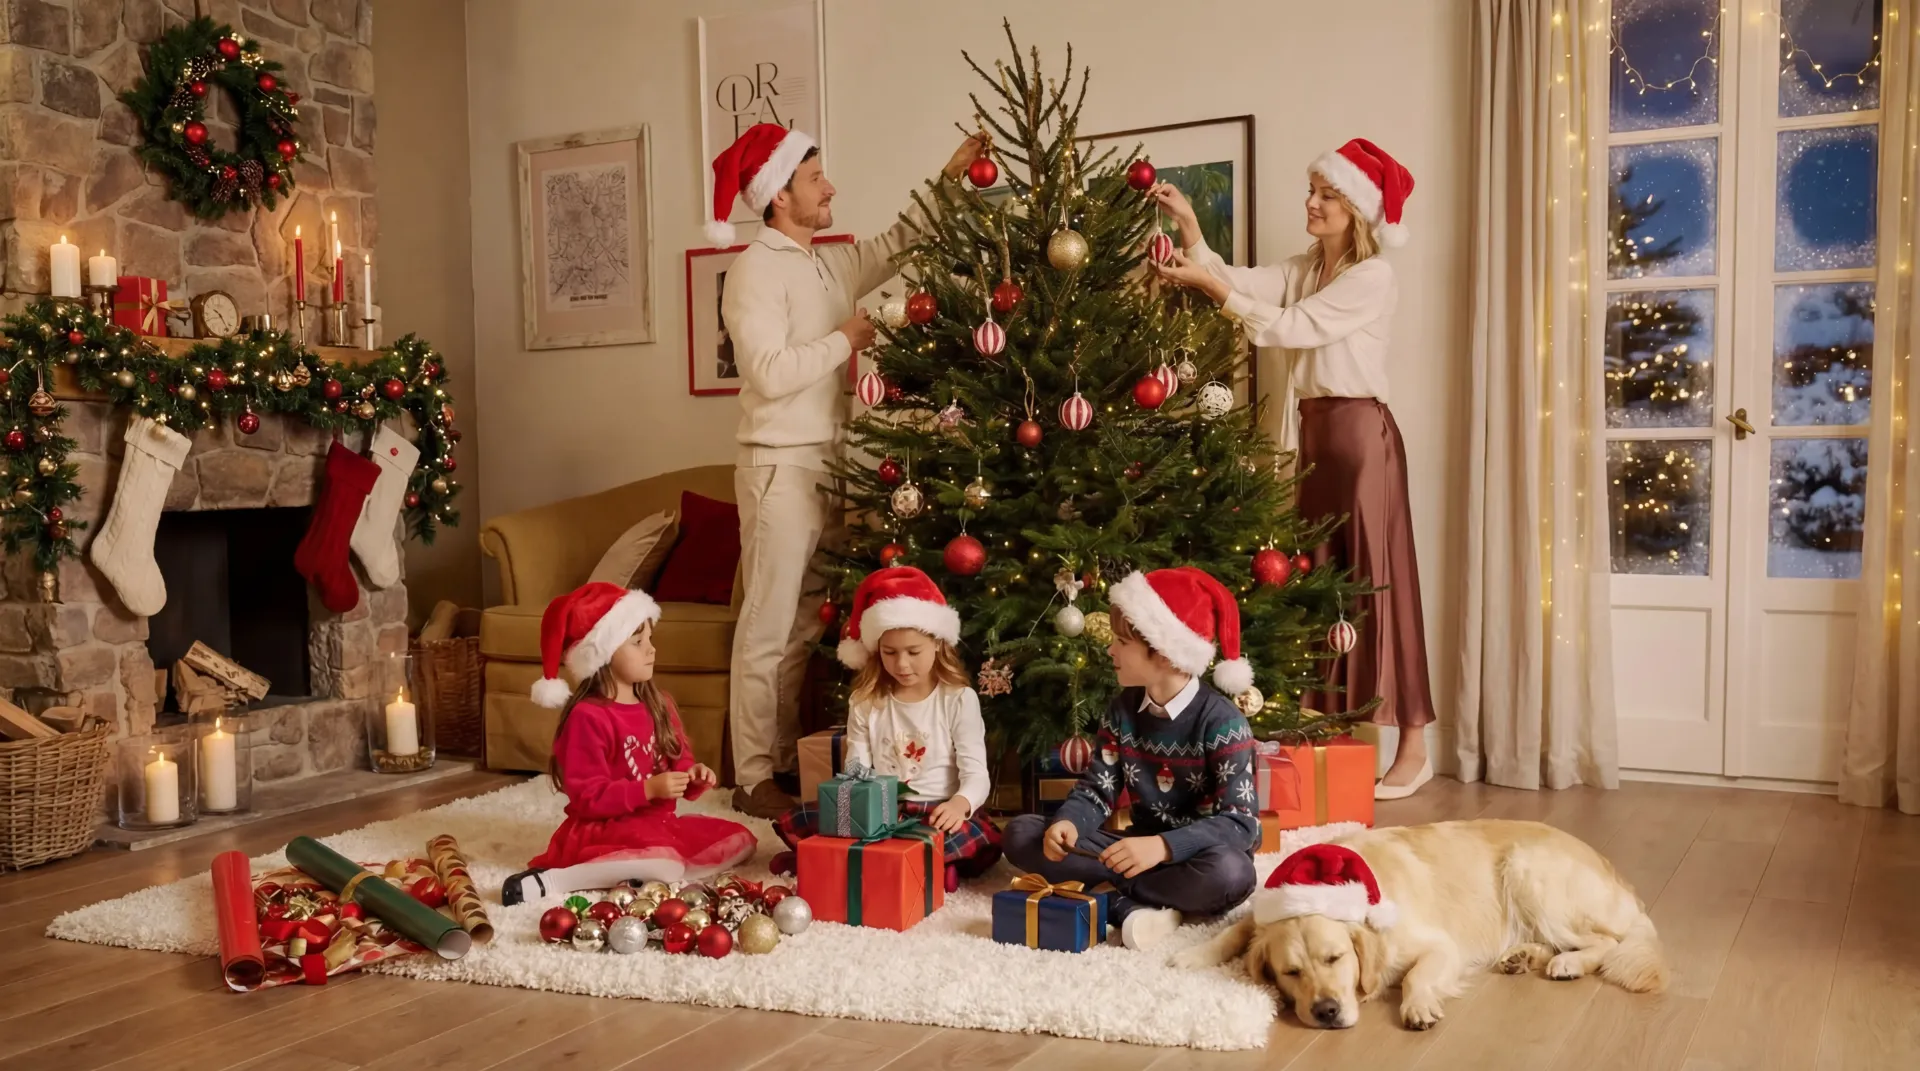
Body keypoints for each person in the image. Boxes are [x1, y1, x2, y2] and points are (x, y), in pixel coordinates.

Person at [706, 122, 988, 819]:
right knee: (767, 628)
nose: (829, 186)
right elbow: (767, 374)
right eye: (814, 178)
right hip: (779, 466)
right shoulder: (754, 270)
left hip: (826, 463)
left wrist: (950, 175)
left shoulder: (824, 263)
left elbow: (897, 242)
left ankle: (775, 761)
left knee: (803, 627)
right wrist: (846, 339)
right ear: (778, 195)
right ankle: (748, 773)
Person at [1151, 138, 1436, 801]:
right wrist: (1191, 229)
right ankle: (1327, 730)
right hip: (1314, 436)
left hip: (1362, 439)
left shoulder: (1371, 277)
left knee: (1377, 585)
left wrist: (1213, 288)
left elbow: (1285, 328)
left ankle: (1414, 747)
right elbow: (1242, 281)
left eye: (1326, 195)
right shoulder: (1309, 266)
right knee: (1317, 588)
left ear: (1356, 210)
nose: (1311, 203)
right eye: (1311, 191)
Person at [1001, 567, 1261, 951]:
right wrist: (1070, 823)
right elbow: (1097, 789)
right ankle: (1146, 899)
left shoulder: (1224, 722)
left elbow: (1241, 824)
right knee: (1022, 833)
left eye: (1121, 642)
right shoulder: (1121, 710)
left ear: (1164, 654)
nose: (1110, 650)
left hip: (1199, 856)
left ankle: (1115, 900)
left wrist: (1163, 847)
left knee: (1233, 873)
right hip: (1132, 848)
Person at [501, 582, 756, 905]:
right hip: (603, 828)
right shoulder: (587, 716)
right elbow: (587, 798)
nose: (651, 649)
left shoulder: (659, 703)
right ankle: (556, 879)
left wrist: (693, 776)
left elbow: (679, 761)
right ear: (604, 654)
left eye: (650, 639)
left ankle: (640, 868)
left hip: (657, 825)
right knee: (667, 866)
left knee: (741, 840)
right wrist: (648, 790)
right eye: (638, 641)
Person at [772, 567, 1001, 892]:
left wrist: (960, 804)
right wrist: (853, 805)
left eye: (913, 652)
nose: (902, 665)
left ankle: (936, 861)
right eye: (890, 653)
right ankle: (822, 855)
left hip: (936, 809)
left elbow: (976, 772)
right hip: (882, 807)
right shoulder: (866, 701)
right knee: (814, 816)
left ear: (937, 643)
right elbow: (857, 765)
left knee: (965, 836)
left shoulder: (958, 699)